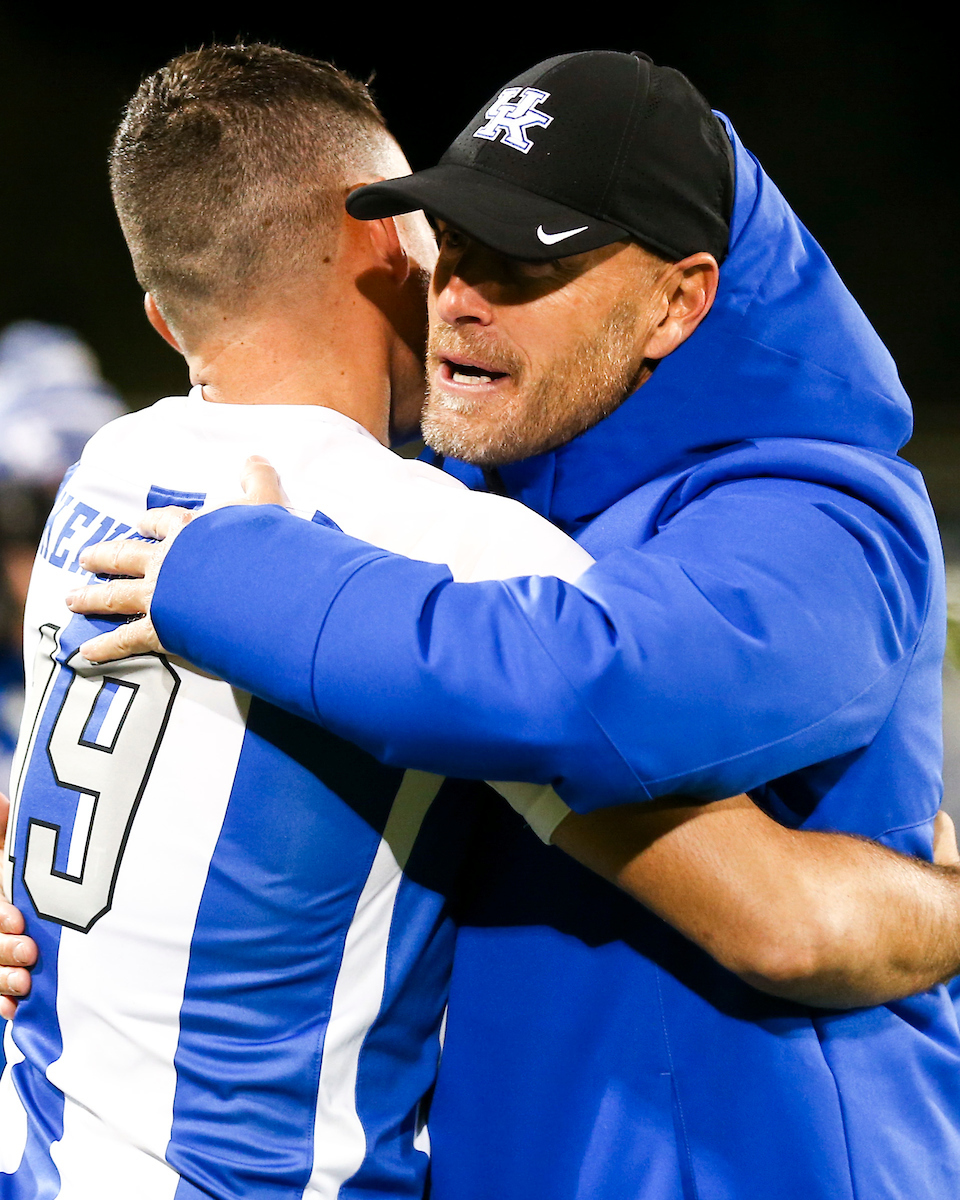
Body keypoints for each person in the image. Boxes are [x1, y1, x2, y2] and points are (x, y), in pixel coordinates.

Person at [69, 51, 960, 1198]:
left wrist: (239, 574)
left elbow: (584, 686)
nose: (459, 297)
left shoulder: (826, 514)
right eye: (459, 246)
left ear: (676, 299)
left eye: (528, 265)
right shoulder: (474, 487)